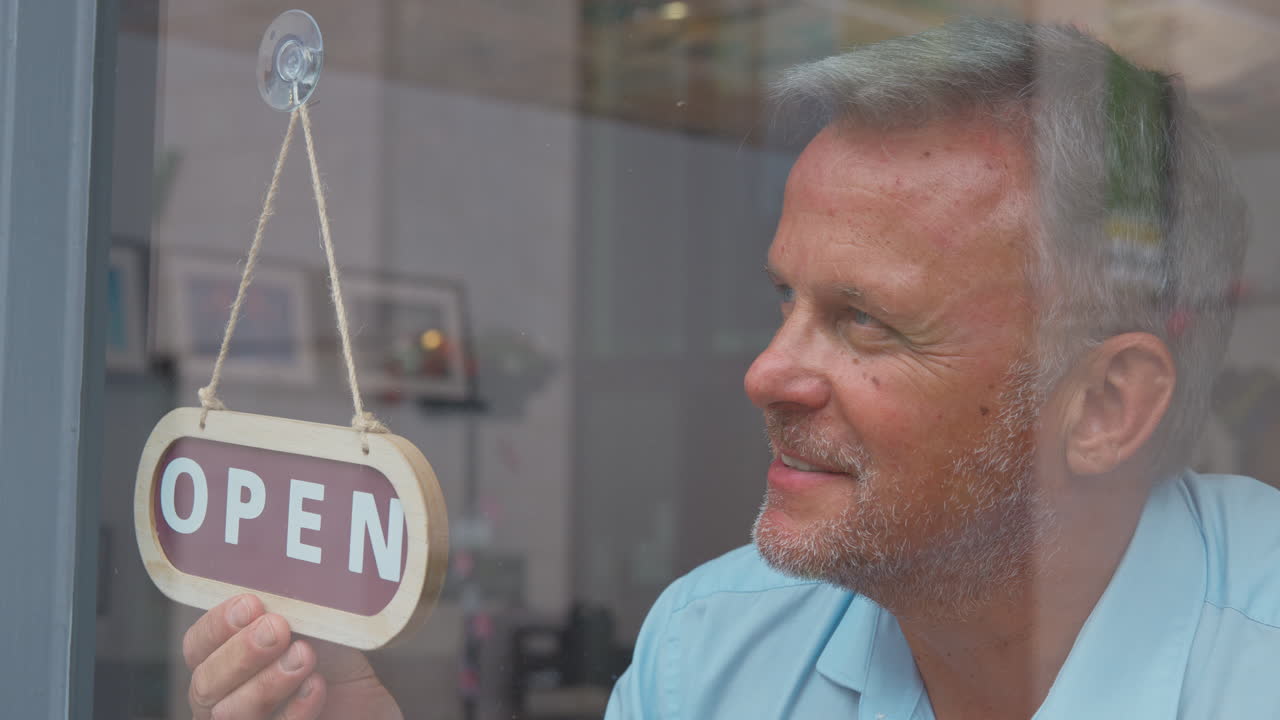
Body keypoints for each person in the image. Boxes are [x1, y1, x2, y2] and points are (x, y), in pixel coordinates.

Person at [181, 18, 1276, 720]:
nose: (765, 373)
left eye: (863, 323)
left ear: (1103, 406)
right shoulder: (711, 647)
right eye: (783, 301)